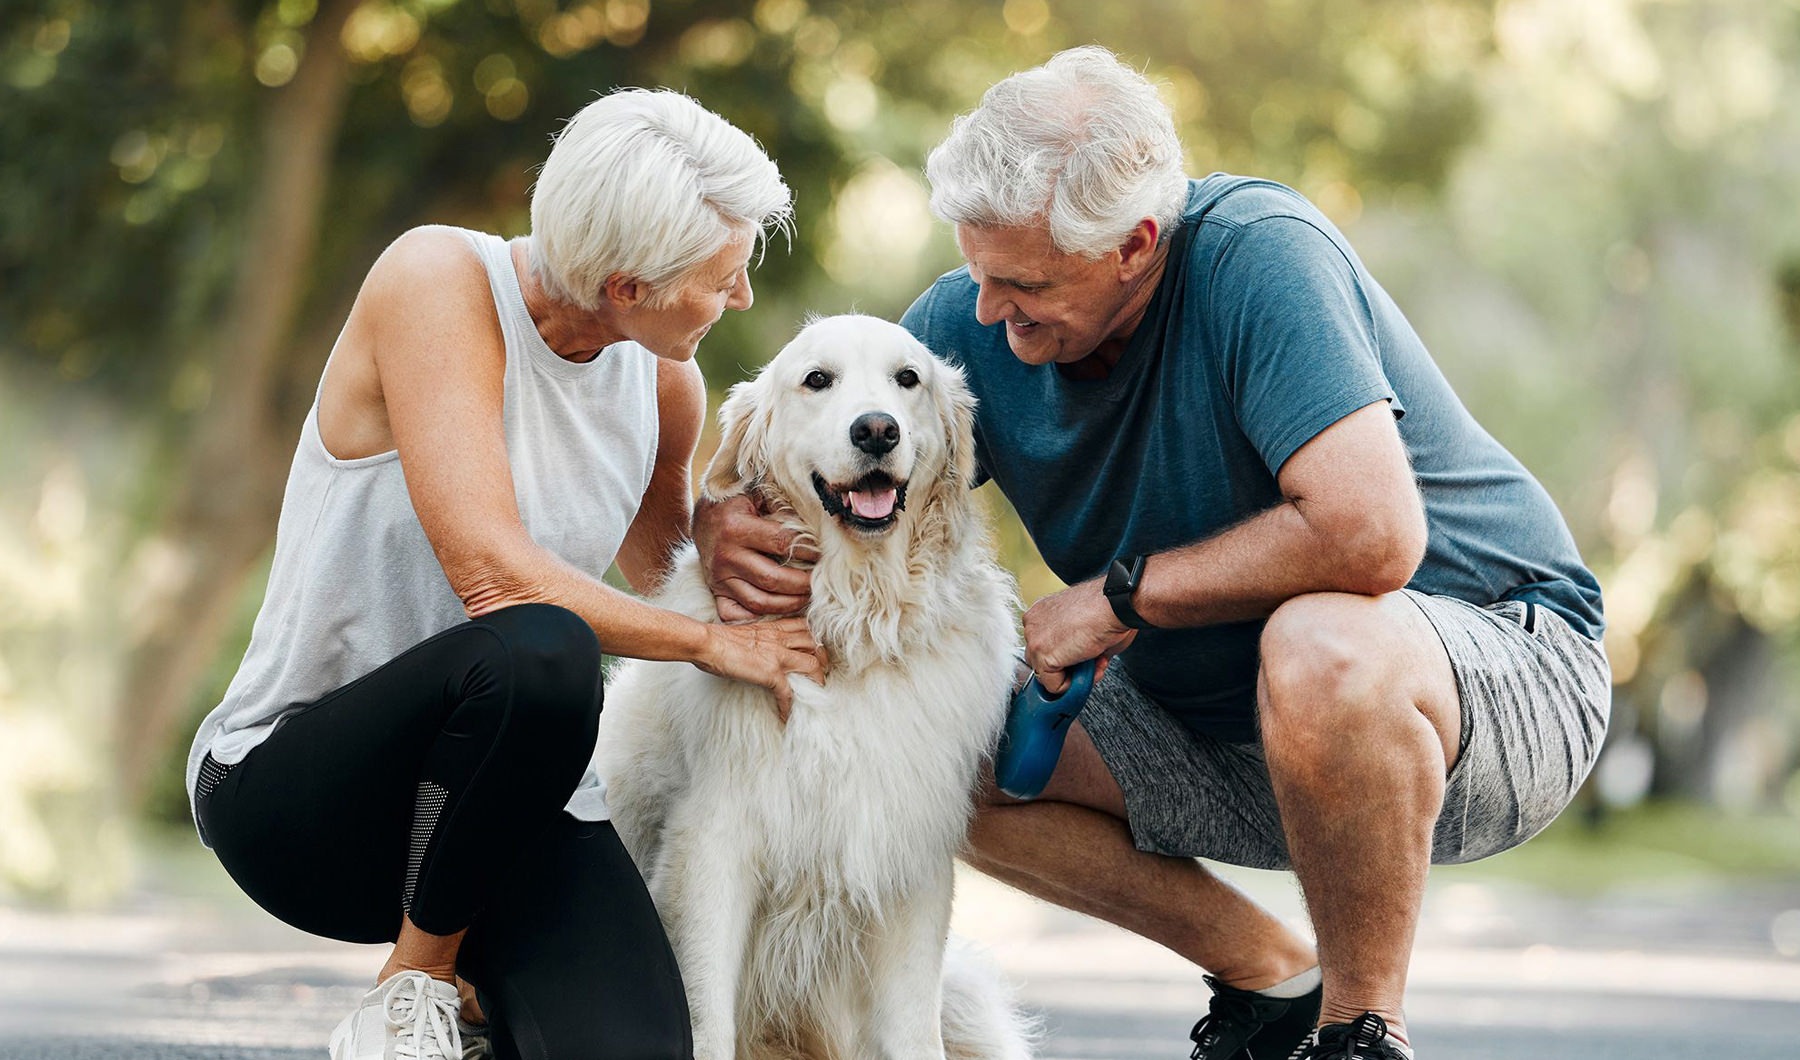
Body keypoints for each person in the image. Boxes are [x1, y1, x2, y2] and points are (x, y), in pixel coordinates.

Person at [695, 47, 1610, 1060]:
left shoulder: (1260, 258)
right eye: (979, 270)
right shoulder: (973, 321)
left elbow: (1372, 534)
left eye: (1024, 282)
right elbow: (828, 456)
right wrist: (719, 519)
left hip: (1492, 687)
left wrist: (1117, 599)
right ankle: (1275, 980)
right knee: (951, 742)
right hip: (1223, 720)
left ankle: (1358, 1030)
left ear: (1134, 245)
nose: (988, 311)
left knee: (1320, 643)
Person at [186, 89, 827, 1060]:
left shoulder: (665, 382)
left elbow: (666, 583)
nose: (739, 297)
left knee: (639, 1050)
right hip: (306, 804)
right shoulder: (436, 279)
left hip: (509, 818)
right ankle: (415, 984)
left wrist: (750, 550)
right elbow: (495, 576)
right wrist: (710, 641)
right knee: (544, 647)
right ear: (627, 285)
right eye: (722, 278)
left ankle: (488, 1005)